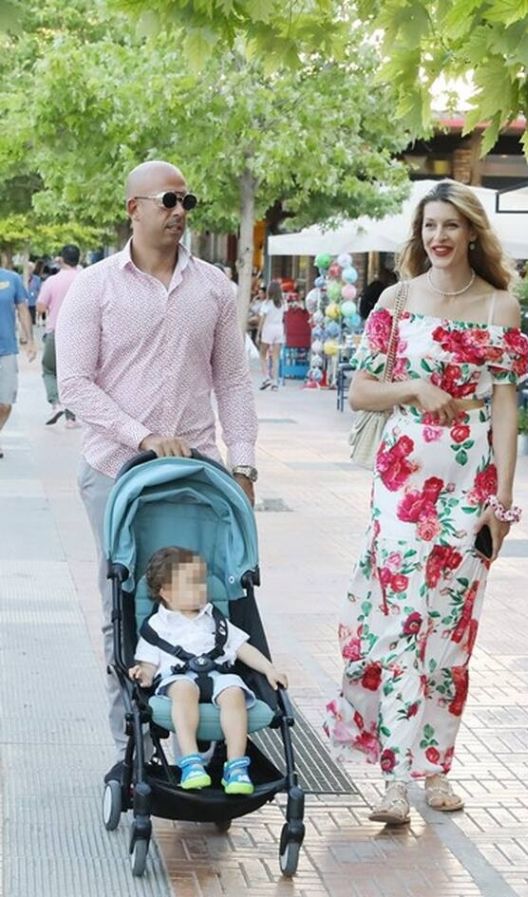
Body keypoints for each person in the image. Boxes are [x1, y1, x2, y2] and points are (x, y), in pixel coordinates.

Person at [325, 180, 528, 825]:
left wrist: (502, 502)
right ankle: (393, 781)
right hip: (401, 485)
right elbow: (360, 391)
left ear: (472, 232)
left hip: (471, 488)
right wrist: (414, 388)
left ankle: (436, 767)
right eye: (429, 226)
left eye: (450, 225)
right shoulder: (397, 300)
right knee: (401, 623)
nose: (438, 237)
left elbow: (505, 409)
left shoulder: (500, 307)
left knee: (452, 629)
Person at [55, 160, 259, 781]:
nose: (179, 212)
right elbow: (74, 384)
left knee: (205, 596)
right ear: (134, 209)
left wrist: (243, 464)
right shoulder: (95, 287)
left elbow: (232, 380)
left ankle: (208, 738)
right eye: (168, 200)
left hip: (196, 477)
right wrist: (141, 435)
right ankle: (133, 744)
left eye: (186, 201)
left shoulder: (215, 288)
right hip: (116, 472)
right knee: (124, 601)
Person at [129, 546, 288, 792]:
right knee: (183, 689)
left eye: (202, 582)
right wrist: (143, 674)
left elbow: (242, 648)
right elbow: (148, 664)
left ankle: (236, 766)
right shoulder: (157, 626)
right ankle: (191, 762)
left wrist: (269, 668)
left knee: (234, 692)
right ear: (166, 592)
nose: (201, 589)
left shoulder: (214, 619)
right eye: (191, 584)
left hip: (217, 675)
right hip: (178, 678)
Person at [37, 244, 81, 427]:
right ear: (79, 259)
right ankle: (71, 418)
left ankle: (56, 403)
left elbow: (40, 306)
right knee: (74, 375)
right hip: (80, 334)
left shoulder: (52, 281)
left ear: (61, 259)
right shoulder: (85, 278)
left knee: (49, 370)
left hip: (55, 331)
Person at [0, 266, 36, 458]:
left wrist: (30, 340)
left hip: (6, 349)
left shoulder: (11, 279)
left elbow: (22, 309)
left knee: (5, 403)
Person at [258, 281, 285, 390]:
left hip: (268, 328)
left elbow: (262, 319)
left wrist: (259, 332)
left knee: (262, 354)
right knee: (275, 357)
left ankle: (266, 377)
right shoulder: (283, 303)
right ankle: (275, 382)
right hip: (279, 329)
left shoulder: (267, 303)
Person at [27, 259, 44, 326]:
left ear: (33, 269)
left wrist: (39, 299)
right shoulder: (20, 278)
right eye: (28, 268)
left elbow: (40, 290)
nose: (29, 269)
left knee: (32, 322)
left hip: (33, 302)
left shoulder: (37, 279)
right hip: (23, 303)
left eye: (31, 268)